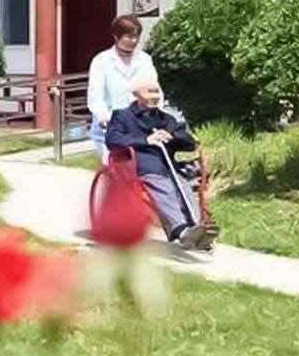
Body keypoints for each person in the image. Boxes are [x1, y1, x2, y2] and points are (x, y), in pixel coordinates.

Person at [105, 72, 209, 250]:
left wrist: (172, 135)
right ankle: (181, 230)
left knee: (183, 187)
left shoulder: (166, 119)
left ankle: (197, 230)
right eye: (150, 92)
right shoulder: (122, 116)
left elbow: (190, 143)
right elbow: (113, 140)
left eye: (157, 92)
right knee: (165, 188)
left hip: (169, 165)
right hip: (140, 163)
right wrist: (146, 140)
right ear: (137, 94)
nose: (155, 96)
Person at [87, 13, 147, 156]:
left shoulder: (145, 60)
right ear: (116, 36)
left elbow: (154, 91)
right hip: (109, 129)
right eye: (129, 37)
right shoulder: (102, 61)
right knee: (116, 166)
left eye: (136, 36)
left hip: (139, 127)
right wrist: (106, 119)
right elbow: (95, 97)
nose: (134, 41)